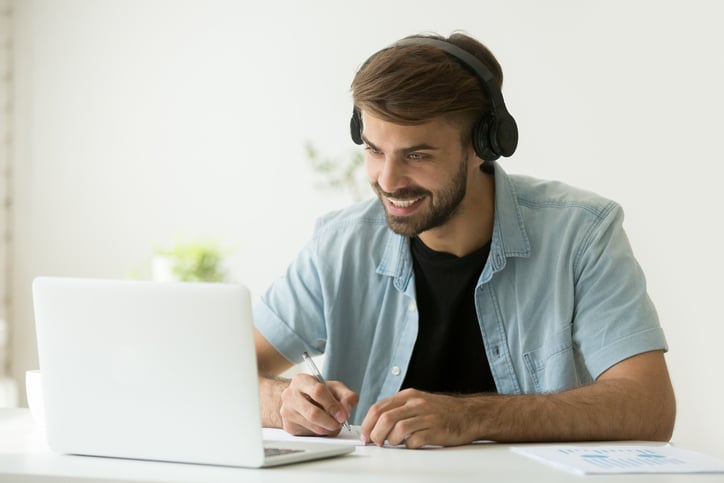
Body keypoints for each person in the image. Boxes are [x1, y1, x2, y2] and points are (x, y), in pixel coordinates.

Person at [253, 32, 676, 449]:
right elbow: (213, 370)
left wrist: (471, 416)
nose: (387, 180)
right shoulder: (339, 245)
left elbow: (649, 407)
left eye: (417, 156)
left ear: (483, 146)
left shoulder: (581, 234)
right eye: (374, 150)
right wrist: (284, 402)